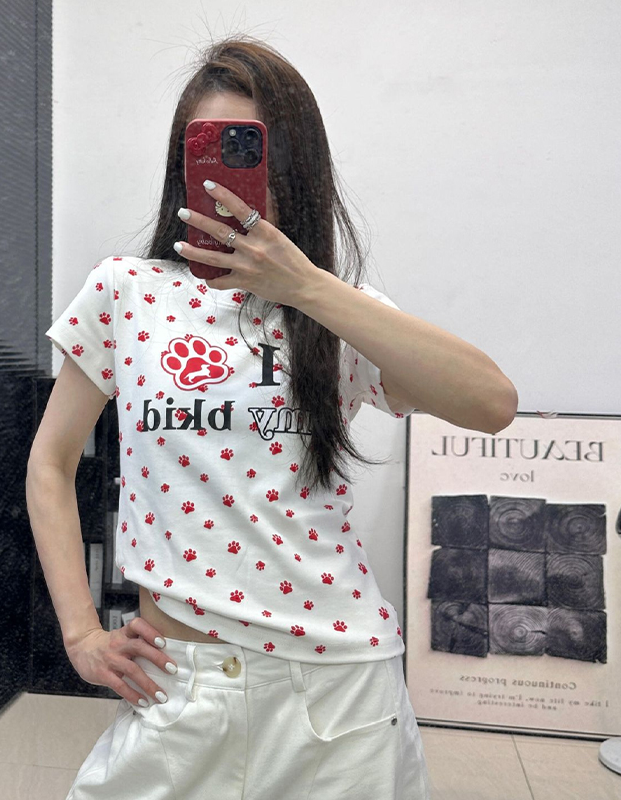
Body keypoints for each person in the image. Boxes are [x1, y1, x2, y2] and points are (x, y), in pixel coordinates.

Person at [27, 34, 460, 800]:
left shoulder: (333, 309)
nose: (228, 181)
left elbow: (490, 402)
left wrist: (310, 288)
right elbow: (51, 463)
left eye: (254, 152)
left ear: (295, 168)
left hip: (338, 695)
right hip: (176, 686)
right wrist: (82, 632)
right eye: (210, 151)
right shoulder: (127, 292)